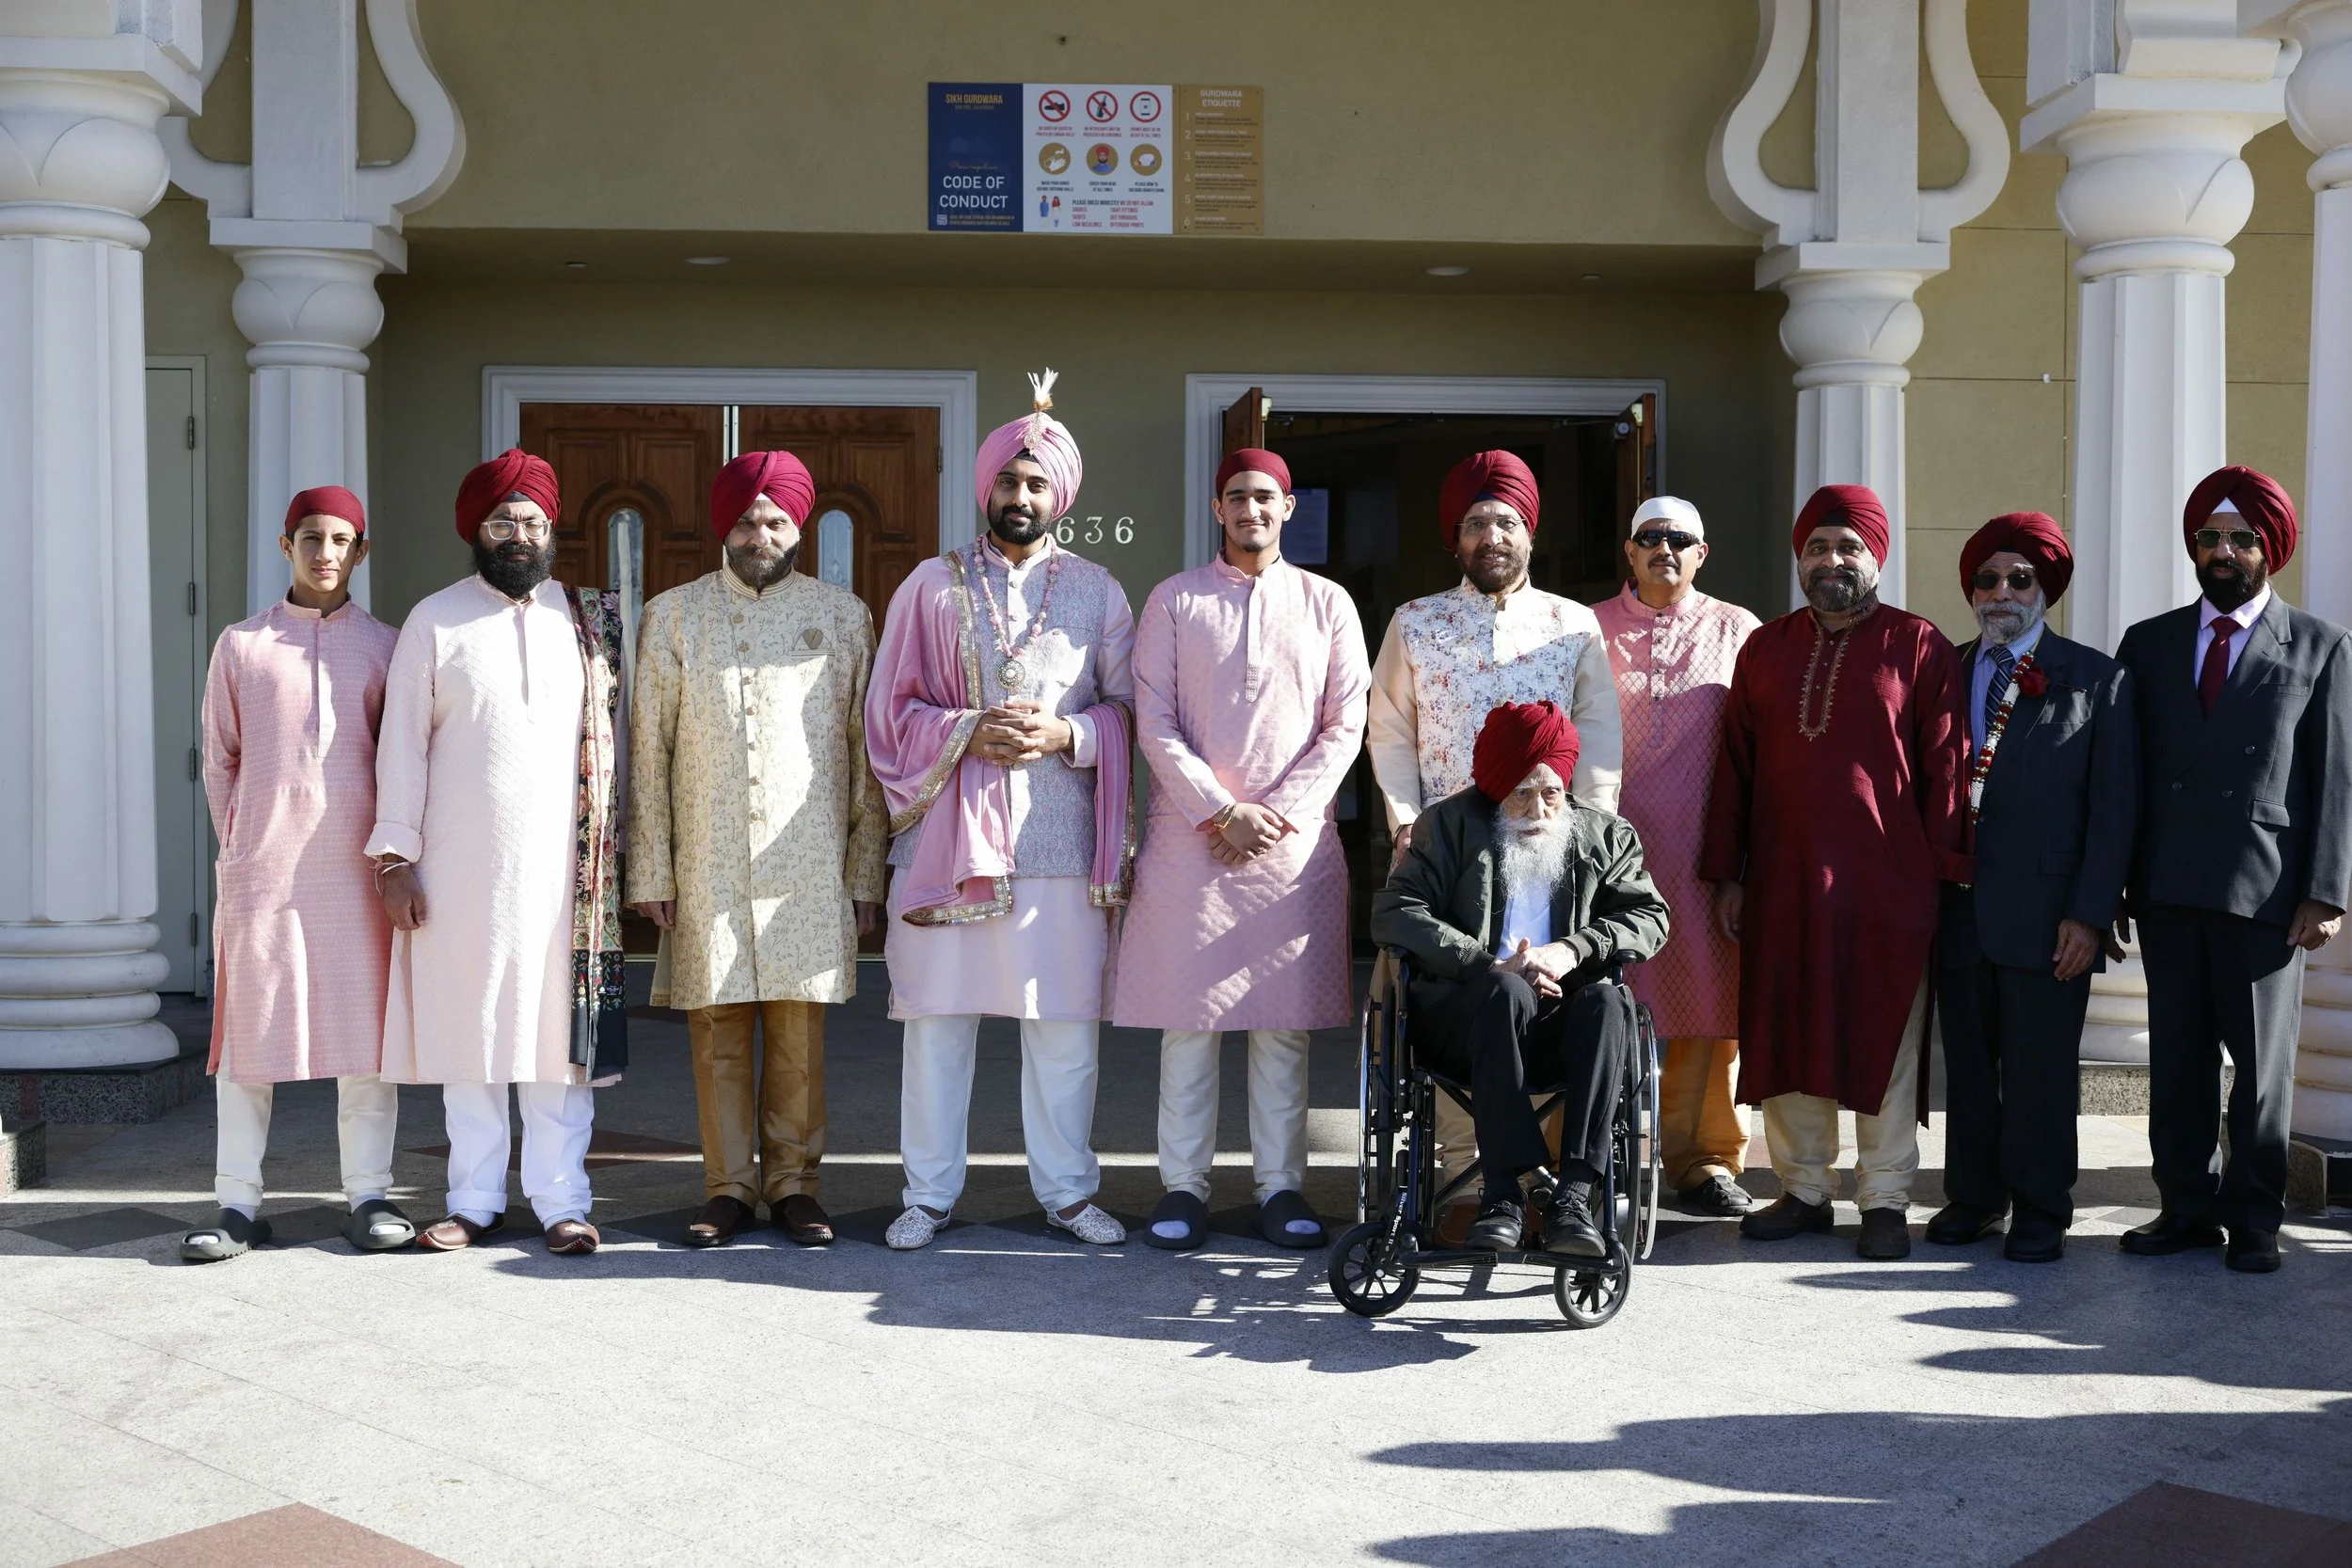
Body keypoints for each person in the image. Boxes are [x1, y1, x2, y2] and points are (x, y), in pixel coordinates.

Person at [866, 372, 1136, 1250]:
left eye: (1037, 484)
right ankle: (927, 1196)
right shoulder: (930, 588)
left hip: (1058, 843)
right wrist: (965, 731)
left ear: (1060, 496)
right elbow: (887, 711)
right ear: (985, 487)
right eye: (1009, 482)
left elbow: (1130, 710)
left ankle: (1066, 1192)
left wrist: (1068, 734)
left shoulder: (1099, 591)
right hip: (950, 845)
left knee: (1060, 1028)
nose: (1021, 497)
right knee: (939, 1028)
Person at [368, 449, 629, 1258]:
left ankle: (563, 1200)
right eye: (501, 521)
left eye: (532, 522)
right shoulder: (434, 619)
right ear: (475, 531)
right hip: (457, 869)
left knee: (560, 1044)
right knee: (471, 1034)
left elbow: (623, 746)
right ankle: (474, 1199)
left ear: (552, 531)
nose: (518, 535)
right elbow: (400, 748)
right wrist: (394, 857)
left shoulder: (589, 622)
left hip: (568, 877)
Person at [1698, 483, 1969, 1260]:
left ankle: (1884, 1195)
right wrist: (1729, 874)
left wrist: (1943, 875)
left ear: (1876, 556)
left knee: (1883, 1032)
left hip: (1890, 882)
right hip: (1783, 880)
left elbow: (1945, 770)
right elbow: (1737, 769)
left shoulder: (1919, 646)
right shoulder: (1766, 648)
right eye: (1817, 546)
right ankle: (1804, 1189)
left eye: (1848, 546)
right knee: (1789, 1030)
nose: (1831, 560)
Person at [1114, 448, 1370, 1252]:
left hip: (1290, 850)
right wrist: (1222, 810)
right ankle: (1182, 1188)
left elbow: (1345, 725)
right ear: (1218, 509)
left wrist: (1275, 814)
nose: (1251, 509)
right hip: (1194, 844)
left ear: (1289, 508)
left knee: (1280, 1029)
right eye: (1237, 497)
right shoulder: (1175, 601)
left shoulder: (1328, 603)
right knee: (1189, 1027)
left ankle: (1280, 1186)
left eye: (1266, 497)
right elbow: (1151, 719)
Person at [629, 449, 886, 1249]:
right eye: (746, 520)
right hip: (706, 853)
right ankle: (728, 1185)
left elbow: (864, 752)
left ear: (797, 527)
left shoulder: (843, 617)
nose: (761, 533)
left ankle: (795, 1183)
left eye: (776, 520)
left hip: (807, 857)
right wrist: (652, 864)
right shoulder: (673, 614)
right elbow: (649, 748)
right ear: (724, 526)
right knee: (719, 1030)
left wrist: (864, 864)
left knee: (799, 1032)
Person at [1367, 450, 1626, 1231]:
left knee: (1553, 999)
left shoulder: (1571, 624)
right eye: (1477, 521)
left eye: (1506, 520)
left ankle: (1550, 1184)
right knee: (1470, 999)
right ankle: (1470, 1186)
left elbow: (1601, 733)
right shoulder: (1415, 621)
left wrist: (1587, 832)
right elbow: (1389, 732)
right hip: (1447, 856)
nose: (1492, 534)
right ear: (1457, 538)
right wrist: (1407, 820)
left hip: (1548, 847)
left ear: (1529, 533)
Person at [2113, 467, 2352, 1274]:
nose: (2224, 551)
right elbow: (2124, 775)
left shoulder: (2321, 645)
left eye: (2242, 538)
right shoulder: (2147, 643)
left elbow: (2334, 781)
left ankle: (2253, 1213)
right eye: (2210, 537)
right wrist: (2116, 881)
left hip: (2267, 890)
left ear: (2270, 548)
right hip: (2169, 883)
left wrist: (2325, 892)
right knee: (2176, 1059)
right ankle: (2184, 1206)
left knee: (2260, 1070)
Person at [182, 487, 410, 1262]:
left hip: (357, 875)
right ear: (286, 546)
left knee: (367, 1045)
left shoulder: (386, 646)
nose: (325, 552)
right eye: (310, 537)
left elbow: (403, 761)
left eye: (341, 539)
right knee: (249, 1041)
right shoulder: (242, 645)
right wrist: (246, 844)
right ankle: (238, 1203)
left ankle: (369, 1194)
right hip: (264, 875)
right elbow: (220, 759)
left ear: (360, 551)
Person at [1370, 702, 1669, 1255]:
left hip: (1562, 1031)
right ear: (1495, 787)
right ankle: (1502, 1195)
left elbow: (1651, 918)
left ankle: (1574, 1197)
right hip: (1465, 1024)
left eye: (1551, 793)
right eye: (1521, 793)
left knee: (1608, 1003)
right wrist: (1486, 965)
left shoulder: (1607, 837)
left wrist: (1571, 950)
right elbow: (1394, 913)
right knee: (1506, 989)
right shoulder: (1447, 825)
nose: (1538, 809)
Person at [1931, 512, 2137, 1263]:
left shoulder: (2097, 676)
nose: (2002, 591)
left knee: (2041, 1067)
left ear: (2045, 586)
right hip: (1958, 909)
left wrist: (2090, 912)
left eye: (2021, 578)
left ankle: (2043, 1206)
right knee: (1972, 1064)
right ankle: (1974, 1197)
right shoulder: (1944, 670)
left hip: (2052, 914)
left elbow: (2115, 814)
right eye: (1988, 578)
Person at [1593, 495, 1760, 1218]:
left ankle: (1705, 1160)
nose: (1665, 548)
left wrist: (1744, 863)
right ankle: (1590, 1154)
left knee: (1710, 1012)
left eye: (1679, 538)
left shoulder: (1740, 631)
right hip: (1606, 859)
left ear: (1702, 553)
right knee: (1595, 1005)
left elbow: (1758, 752)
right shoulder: (1585, 627)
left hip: (1702, 856)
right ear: (1628, 551)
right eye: (1650, 537)